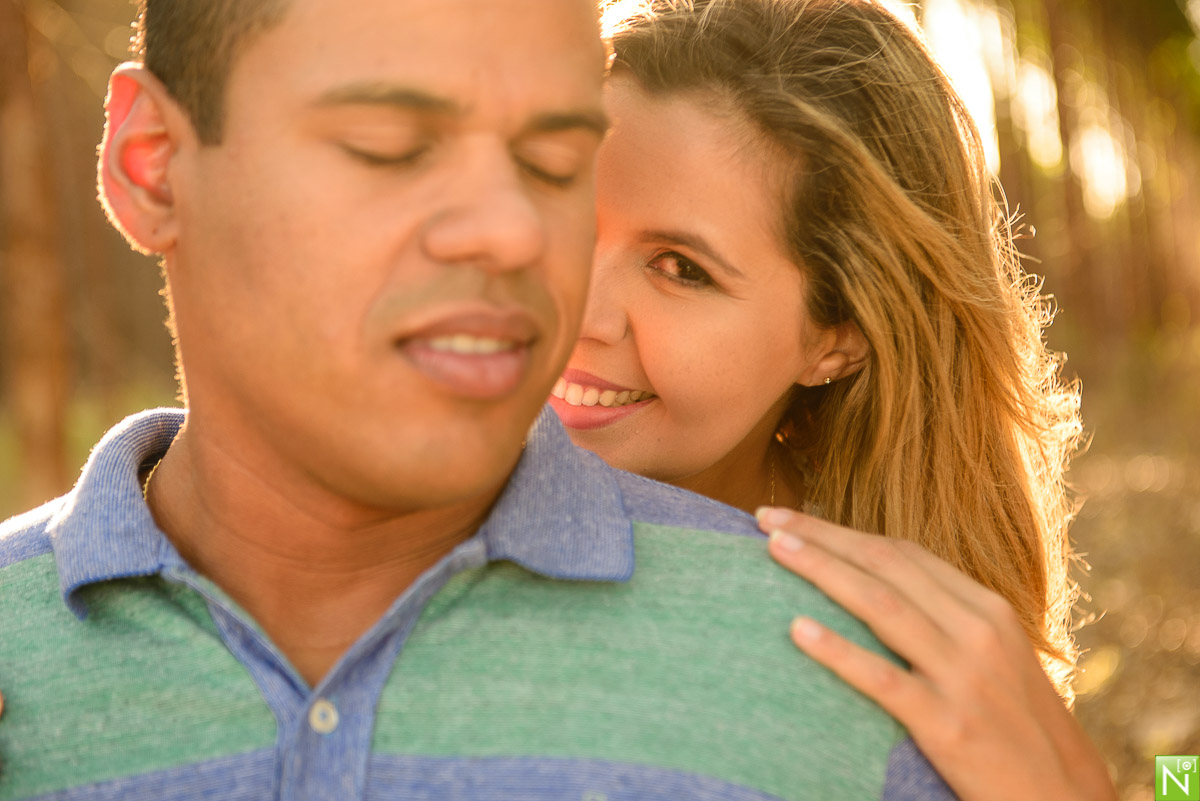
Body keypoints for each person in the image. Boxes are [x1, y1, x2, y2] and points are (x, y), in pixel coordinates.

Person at [0, 0, 958, 798]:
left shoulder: (839, 678)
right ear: (149, 161)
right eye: (391, 144)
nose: (528, 248)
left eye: (546, 163)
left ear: (839, 339)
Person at [551, 1, 1114, 799]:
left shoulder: (913, 632)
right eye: (566, 210)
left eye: (681, 267)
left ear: (837, 335)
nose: (575, 309)